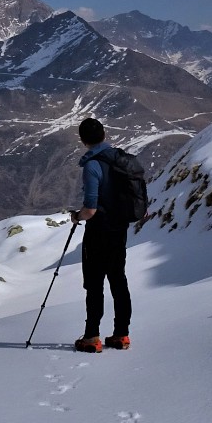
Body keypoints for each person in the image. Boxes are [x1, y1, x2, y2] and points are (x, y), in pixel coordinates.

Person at [70, 117, 131, 353]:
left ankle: (92, 337)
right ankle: (121, 335)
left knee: (94, 284)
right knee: (119, 281)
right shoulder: (121, 159)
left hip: (99, 232)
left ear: (83, 139)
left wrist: (77, 217)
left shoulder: (92, 165)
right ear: (104, 134)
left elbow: (91, 209)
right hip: (120, 230)